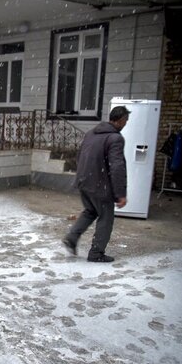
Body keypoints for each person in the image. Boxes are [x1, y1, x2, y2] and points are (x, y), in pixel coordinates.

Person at [62, 105, 130, 262]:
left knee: (90, 211)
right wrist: (120, 194)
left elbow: (80, 156)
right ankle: (96, 253)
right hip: (100, 185)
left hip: (84, 181)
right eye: (126, 120)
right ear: (120, 120)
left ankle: (71, 238)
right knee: (106, 218)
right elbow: (117, 167)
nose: (126, 123)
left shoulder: (91, 133)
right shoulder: (115, 138)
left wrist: (83, 176)